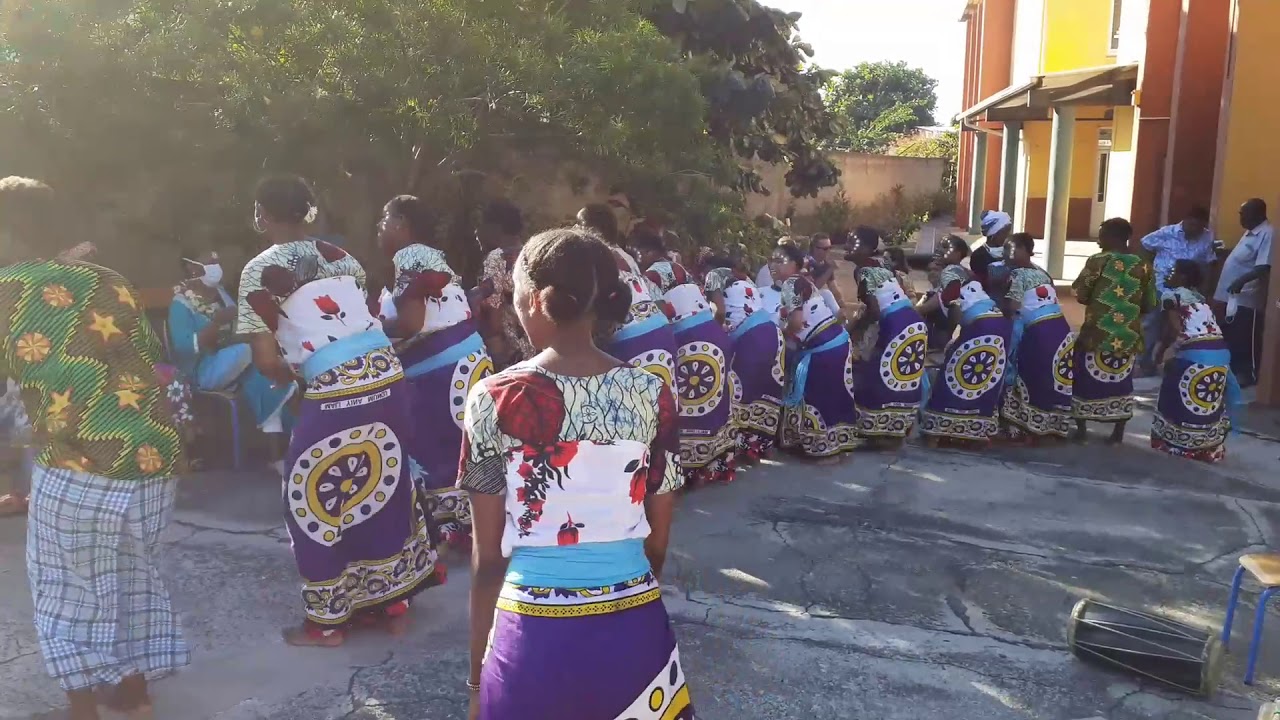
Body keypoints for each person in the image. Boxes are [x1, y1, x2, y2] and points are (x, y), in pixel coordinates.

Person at [460, 228, 694, 720]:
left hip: (529, 635)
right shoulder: (651, 393)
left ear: (534, 300)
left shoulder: (493, 397)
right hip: (634, 629)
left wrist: (478, 677)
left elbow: (486, 562)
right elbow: (657, 544)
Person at [0, 177, 187, 719]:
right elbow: (155, 365)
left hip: (80, 458)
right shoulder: (109, 280)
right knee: (130, 576)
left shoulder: (5, 290)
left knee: (65, 583)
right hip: (155, 455)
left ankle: (82, 707)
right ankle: (135, 693)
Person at [237, 176, 443, 647]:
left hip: (333, 385)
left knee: (312, 497)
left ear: (262, 215)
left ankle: (328, 622)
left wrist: (298, 377)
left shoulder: (259, 269)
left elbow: (267, 359)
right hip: (389, 375)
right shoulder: (342, 258)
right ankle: (392, 604)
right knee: (384, 482)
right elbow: (358, 319)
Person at [375, 194, 494, 546]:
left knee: (435, 446)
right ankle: (473, 523)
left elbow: (412, 324)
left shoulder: (409, 256)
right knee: (465, 445)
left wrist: (364, 333)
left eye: (384, 220)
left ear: (400, 224)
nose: (379, 228)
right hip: (469, 361)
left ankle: (450, 528)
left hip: (442, 373)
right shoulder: (433, 256)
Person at [634, 234, 737, 485]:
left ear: (646, 250)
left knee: (690, 406)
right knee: (712, 400)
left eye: (637, 251)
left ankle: (690, 471)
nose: (636, 257)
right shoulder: (680, 269)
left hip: (689, 337)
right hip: (712, 331)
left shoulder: (651, 277)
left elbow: (660, 314)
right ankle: (713, 466)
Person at [167, 250, 294, 450]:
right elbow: (184, 349)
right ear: (191, 267)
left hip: (238, 366)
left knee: (269, 382)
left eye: (216, 260)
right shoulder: (180, 304)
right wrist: (217, 324)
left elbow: (239, 331)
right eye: (208, 262)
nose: (215, 266)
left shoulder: (222, 296)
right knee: (247, 352)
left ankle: (282, 450)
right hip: (202, 371)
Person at [1071, 218, 1157, 444]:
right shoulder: (1143, 264)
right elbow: (1150, 302)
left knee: (1084, 378)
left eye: (1102, 235)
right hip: (1128, 336)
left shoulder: (1098, 261)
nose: (1099, 240)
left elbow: (1081, 293)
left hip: (1096, 333)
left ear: (1113, 236)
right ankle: (1117, 432)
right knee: (1121, 381)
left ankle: (1081, 429)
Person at [578, 206, 679, 393]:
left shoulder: (596, 258)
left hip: (630, 340)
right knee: (657, 408)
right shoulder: (626, 257)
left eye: (580, 225)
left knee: (629, 408)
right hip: (659, 331)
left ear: (591, 229)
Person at [1153, 260, 1243, 462]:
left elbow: (1175, 330)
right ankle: (1208, 449)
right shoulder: (1201, 299)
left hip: (1196, 352)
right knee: (1208, 401)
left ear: (1183, 277)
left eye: (1175, 271)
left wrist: (1160, 353)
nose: (1170, 275)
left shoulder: (1171, 296)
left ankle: (1178, 446)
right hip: (1220, 353)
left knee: (1173, 390)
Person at [847, 228, 928, 447]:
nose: (847, 247)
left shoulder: (863, 270)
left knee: (879, 375)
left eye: (852, 242)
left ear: (866, 249)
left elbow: (873, 310)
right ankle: (894, 432)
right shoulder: (881, 265)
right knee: (901, 378)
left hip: (896, 323)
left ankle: (877, 433)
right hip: (913, 322)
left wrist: (852, 331)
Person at [704, 261, 786, 462]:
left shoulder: (713, 276)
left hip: (749, 338)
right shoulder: (745, 282)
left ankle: (739, 448)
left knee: (740, 393)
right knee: (766, 389)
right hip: (773, 334)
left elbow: (720, 311)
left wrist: (714, 334)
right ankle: (761, 446)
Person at [919, 277, 1011, 448]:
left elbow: (956, 330)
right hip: (997, 337)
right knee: (987, 381)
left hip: (978, 336)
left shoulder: (958, 302)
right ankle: (975, 432)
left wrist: (950, 350)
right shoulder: (987, 305)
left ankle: (938, 431)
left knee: (950, 378)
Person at [1000, 232, 1075, 442]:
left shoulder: (1018, 275)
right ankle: (1053, 428)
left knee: (1027, 376)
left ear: (1025, 250)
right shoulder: (1043, 273)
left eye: (1011, 248)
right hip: (1061, 330)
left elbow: (1013, 307)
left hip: (1038, 331)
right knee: (1050, 379)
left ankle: (1024, 429)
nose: (1007, 253)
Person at [777, 275, 860, 458]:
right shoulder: (805, 281)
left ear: (793, 263)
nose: (774, 265)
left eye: (780, 260)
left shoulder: (791, 284)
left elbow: (797, 323)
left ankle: (821, 450)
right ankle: (838, 444)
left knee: (817, 399)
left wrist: (780, 331)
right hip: (838, 342)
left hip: (823, 350)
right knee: (836, 396)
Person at [1137, 206, 1218, 375]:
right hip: (1161, 287)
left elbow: (1210, 264)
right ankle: (1143, 363)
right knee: (1152, 324)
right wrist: (1147, 271)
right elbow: (1144, 245)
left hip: (1188, 291)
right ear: (1184, 221)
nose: (1193, 228)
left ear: (1203, 225)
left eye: (1198, 226)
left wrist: (1206, 292)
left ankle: (1164, 358)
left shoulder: (1207, 237)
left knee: (1178, 327)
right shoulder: (1167, 233)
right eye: (1190, 224)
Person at [1215, 198, 1273, 387]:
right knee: (1230, 337)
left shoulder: (1267, 233)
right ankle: (1232, 373)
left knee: (1245, 338)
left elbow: (1264, 267)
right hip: (1230, 298)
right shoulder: (1249, 233)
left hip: (1247, 298)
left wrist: (1240, 281)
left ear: (1258, 213)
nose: (1241, 218)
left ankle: (1248, 374)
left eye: (1244, 214)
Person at [477, 199, 534, 368]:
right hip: (538, 346)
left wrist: (498, 359)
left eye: (481, 226)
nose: (476, 232)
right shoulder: (531, 252)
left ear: (496, 228)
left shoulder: (496, 258)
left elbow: (493, 312)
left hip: (513, 353)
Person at [915, 235, 970, 350]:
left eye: (945, 247)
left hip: (938, 341)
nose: (940, 250)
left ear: (958, 254)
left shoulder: (951, 276)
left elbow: (924, 308)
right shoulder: (952, 275)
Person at [760, 241, 804, 320]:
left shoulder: (806, 293)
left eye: (779, 262)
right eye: (771, 261)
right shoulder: (757, 293)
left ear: (795, 265)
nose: (772, 266)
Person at [805, 233, 844, 315]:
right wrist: (830, 269)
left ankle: (841, 322)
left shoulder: (825, 264)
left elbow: (833, 287)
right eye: (825, 248)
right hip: (800, 300)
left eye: (830, 247)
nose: (829, 251)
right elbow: (813, 288)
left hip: (813, 299)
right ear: (814, 248)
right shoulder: (805, 262)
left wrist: (842, 304)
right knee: (826, 293)